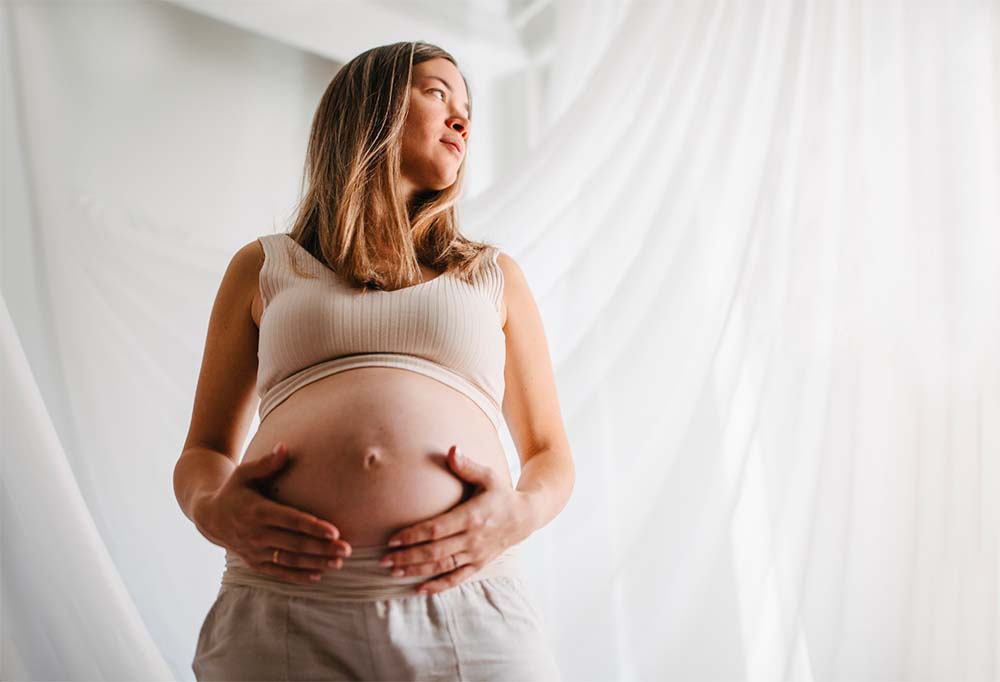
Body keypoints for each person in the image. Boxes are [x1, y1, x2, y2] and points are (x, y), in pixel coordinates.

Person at [173, 40, 574, 681]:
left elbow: (550, 451)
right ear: (371, 107)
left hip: (461, 601)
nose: (462, 119)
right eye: (438, 93)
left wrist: (519, 515)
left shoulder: (492, 276)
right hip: (283, 604)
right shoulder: (266, 266)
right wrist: (210, 509)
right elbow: (203, 450)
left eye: (467, 107)